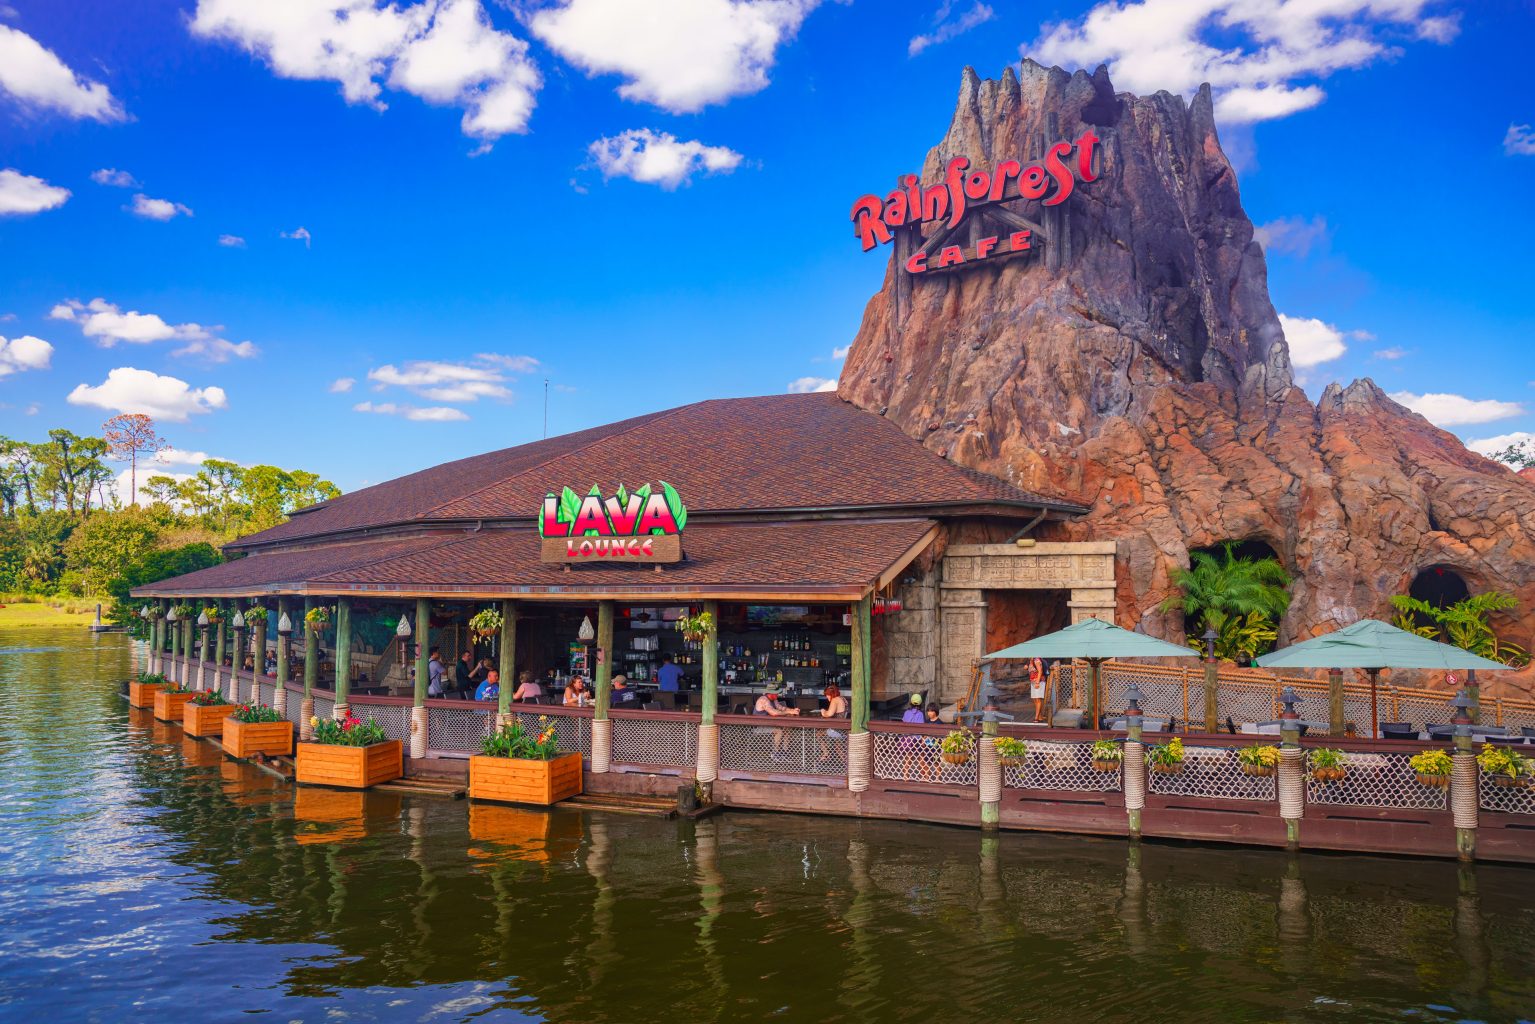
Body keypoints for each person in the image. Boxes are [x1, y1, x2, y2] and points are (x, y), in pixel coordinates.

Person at [754, 681, 800, 758]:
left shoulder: (773, 699)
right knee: (778, 731)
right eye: (776, 693)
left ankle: (785, 752)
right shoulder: (763, 700)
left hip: (770, 724)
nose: (778, 694)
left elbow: (780, 708)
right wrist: (788, 712)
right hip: (760, 726)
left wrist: (792, 710)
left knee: (787, 728)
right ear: (770, 693)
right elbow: (774, 713)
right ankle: (775, 753)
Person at [817, 684, 848, 761]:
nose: (827, 697)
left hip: (836, 729)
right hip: (844, 728)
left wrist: (823, 712)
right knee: (838, 748)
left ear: (832, 694)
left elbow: (829, 714)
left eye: (827, 695)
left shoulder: (835, 700)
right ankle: (847, 764)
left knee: (818, 734)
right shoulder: (843, 699)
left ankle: (826, 753)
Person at [900, 692, 925, 779]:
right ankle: (924, 776)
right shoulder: (920, 714)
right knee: (921, 757)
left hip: (907, 738)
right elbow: (921, 728)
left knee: (909, 757)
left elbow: (903, 723)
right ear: (920, 703)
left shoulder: (906, 712)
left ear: (911, 702)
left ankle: (905, 775)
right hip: (916, 739)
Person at [1028, 656, 1047, 723]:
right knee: (1035, 699)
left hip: (1038, 682)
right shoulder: (1031, 660)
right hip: (1033, 682)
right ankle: (1040, 716)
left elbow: (1040, 671)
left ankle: (1036, 718)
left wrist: (1037, 682)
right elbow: (1033, 670)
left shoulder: (1036, 660)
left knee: (1038, 699)